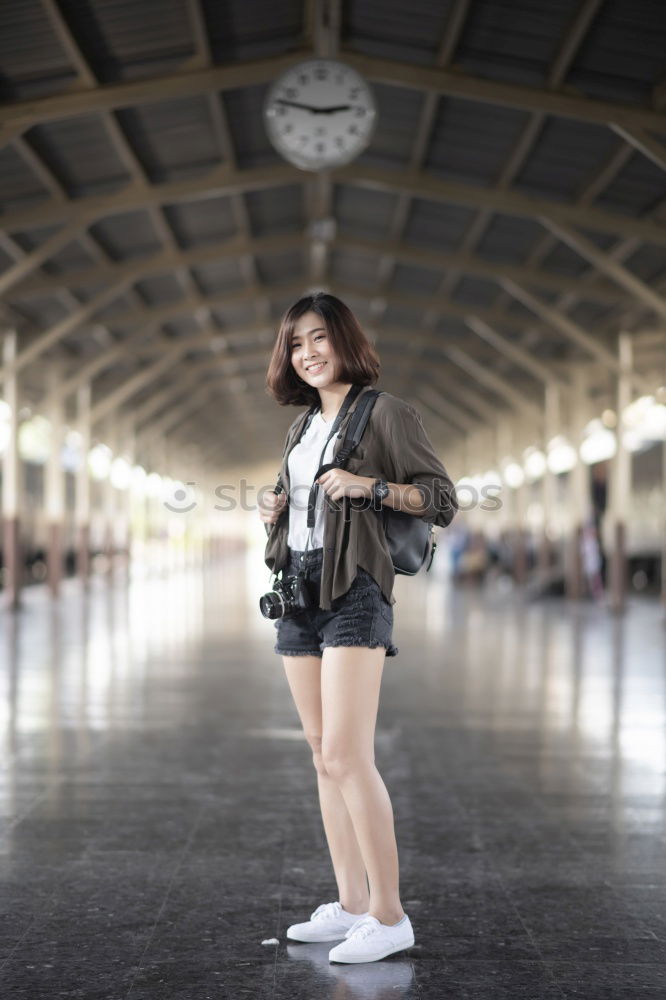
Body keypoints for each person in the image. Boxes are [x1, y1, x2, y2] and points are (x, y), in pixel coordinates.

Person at [259, 292, 457, 964]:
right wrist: (276, 511)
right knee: (321, 754)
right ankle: (348, 905)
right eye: (295, 344)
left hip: (355, 591)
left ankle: (389, 914)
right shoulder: (302, 427)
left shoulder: (388, 413)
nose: (307, 353)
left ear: (345, 340)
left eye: (318, 338)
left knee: (347, 754)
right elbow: (308, 504)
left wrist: (370, 487)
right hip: (298, 591)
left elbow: (441, 499)